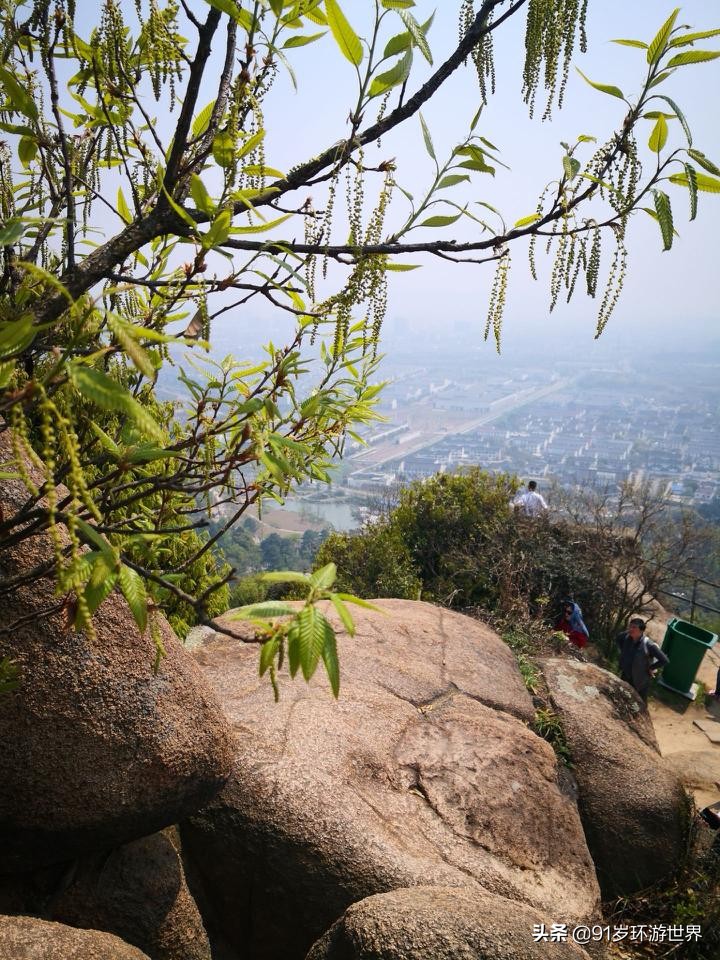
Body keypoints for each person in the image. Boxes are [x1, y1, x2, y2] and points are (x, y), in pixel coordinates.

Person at [616, 617, 669, 702]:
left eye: (634, 627)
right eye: (630, 626)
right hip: (625, 676)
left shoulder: (648, 644)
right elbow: (618, 638)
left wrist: (651, 668)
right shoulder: (626, 638)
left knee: (641, 703)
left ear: (641, 630)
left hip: (640, 680)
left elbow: (664, 660)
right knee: (622, 699)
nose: (631, 629)